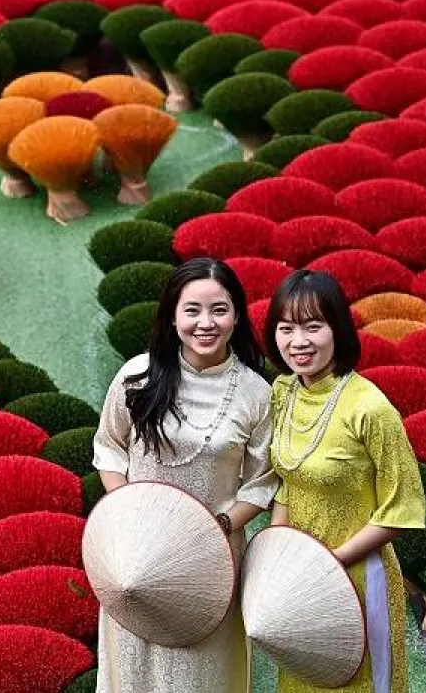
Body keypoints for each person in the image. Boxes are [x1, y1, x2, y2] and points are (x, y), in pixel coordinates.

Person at [91, 256, 278, 692]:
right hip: (136, 554)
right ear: (172, 316)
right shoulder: (137, 375)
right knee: (135, 667)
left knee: (201, 674)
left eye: (219, 309)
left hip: (212, 558)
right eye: (192, 310)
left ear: (236, 316)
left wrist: (223, 525)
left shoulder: (257, 393)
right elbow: (108, 447)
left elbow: (262, 481)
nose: (205, 323)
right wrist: (126, 509)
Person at [265, 269, 426, 693]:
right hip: (299, 576)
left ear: (337, 329)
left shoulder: (370, 408)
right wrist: (280, 553)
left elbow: (402, 508)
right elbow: (287, 480)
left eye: (313, 327)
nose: (298, 342)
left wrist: (331, 562)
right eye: (287, 328)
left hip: (357, 575)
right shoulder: (283, 391)